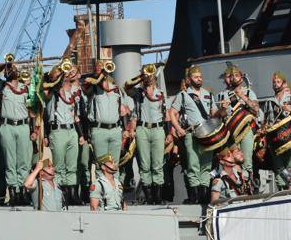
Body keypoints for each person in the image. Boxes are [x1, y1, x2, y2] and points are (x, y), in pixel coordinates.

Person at [0, 56, 33, 206]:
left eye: (13, 68)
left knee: (23, 161)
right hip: (7, 126)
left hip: (23, 126)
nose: (12, 71)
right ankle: (13, 192)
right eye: (10, 69)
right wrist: (3, 65)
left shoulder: (26, 88)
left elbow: (33, 110)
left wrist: (34, 129)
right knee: (10, 162)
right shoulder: (2, 86)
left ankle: (23, 192)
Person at [169, 64, 215, 205]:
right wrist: (178, 128)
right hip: (192, 133)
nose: (199, 79)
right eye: (196, 77)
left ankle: (204, 196)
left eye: (200, 77)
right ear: (189, 79)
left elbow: (214, 114)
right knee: (193, 164)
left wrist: (223, 110)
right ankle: (195, 196)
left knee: (206, 165)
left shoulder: (208, 94)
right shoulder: (183, 95)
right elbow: (172, 113)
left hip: (207, 133)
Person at [42, 63, 84, 205]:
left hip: (72, 130)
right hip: (58, 130)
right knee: (59, 166)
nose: (65, 75)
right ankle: (60, 194)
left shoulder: (72, 92)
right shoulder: (52, 91)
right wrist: (58, 78)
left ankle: (72, 193)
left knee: (72, 165)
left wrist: (81, 134)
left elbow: (75, 114)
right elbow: (45, 88)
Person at [126, 66, 167, 204]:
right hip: (143, 129)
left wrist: (167, 133)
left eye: (150, 74)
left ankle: (158, 197)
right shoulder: (138, 92)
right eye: (146, 74)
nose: (149, 77)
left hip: (157, 128)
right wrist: (140, 78)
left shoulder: (160, 93)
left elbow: (165, 113)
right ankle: (149, 198)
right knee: (144, 165)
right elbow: (126, 87)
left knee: (158, 164)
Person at [263, 71, 291, 190]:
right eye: (274, 82)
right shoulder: (268, 102)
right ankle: (282, 190)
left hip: (290, 138)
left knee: (290, 165)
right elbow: (265, 122)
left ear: (284, 83)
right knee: (278, 168)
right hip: (274, 140)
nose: (276, 84)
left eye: (278, 82)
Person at [214, 64, 260, 174]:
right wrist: (222, 110)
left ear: (241, 77)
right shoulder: (221, 95)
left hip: (245, 131)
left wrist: (243, 96)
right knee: (229, 162)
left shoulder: (248, 92)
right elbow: (215, 117)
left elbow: (256, 110)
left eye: (236, 75)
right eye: (231, 75)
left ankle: (248, 187)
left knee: (246, 161)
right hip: (229, 133)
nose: (234, 78)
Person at [84, 64, 128, 165]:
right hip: (99, 130)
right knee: (101, 164)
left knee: (114, 164)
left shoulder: (116, 90)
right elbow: (86, 90)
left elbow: (123, 111)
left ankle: (114, 181)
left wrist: (125, 129)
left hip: (115, 131)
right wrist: (98, 76)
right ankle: (102, 181)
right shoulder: (94, 88)